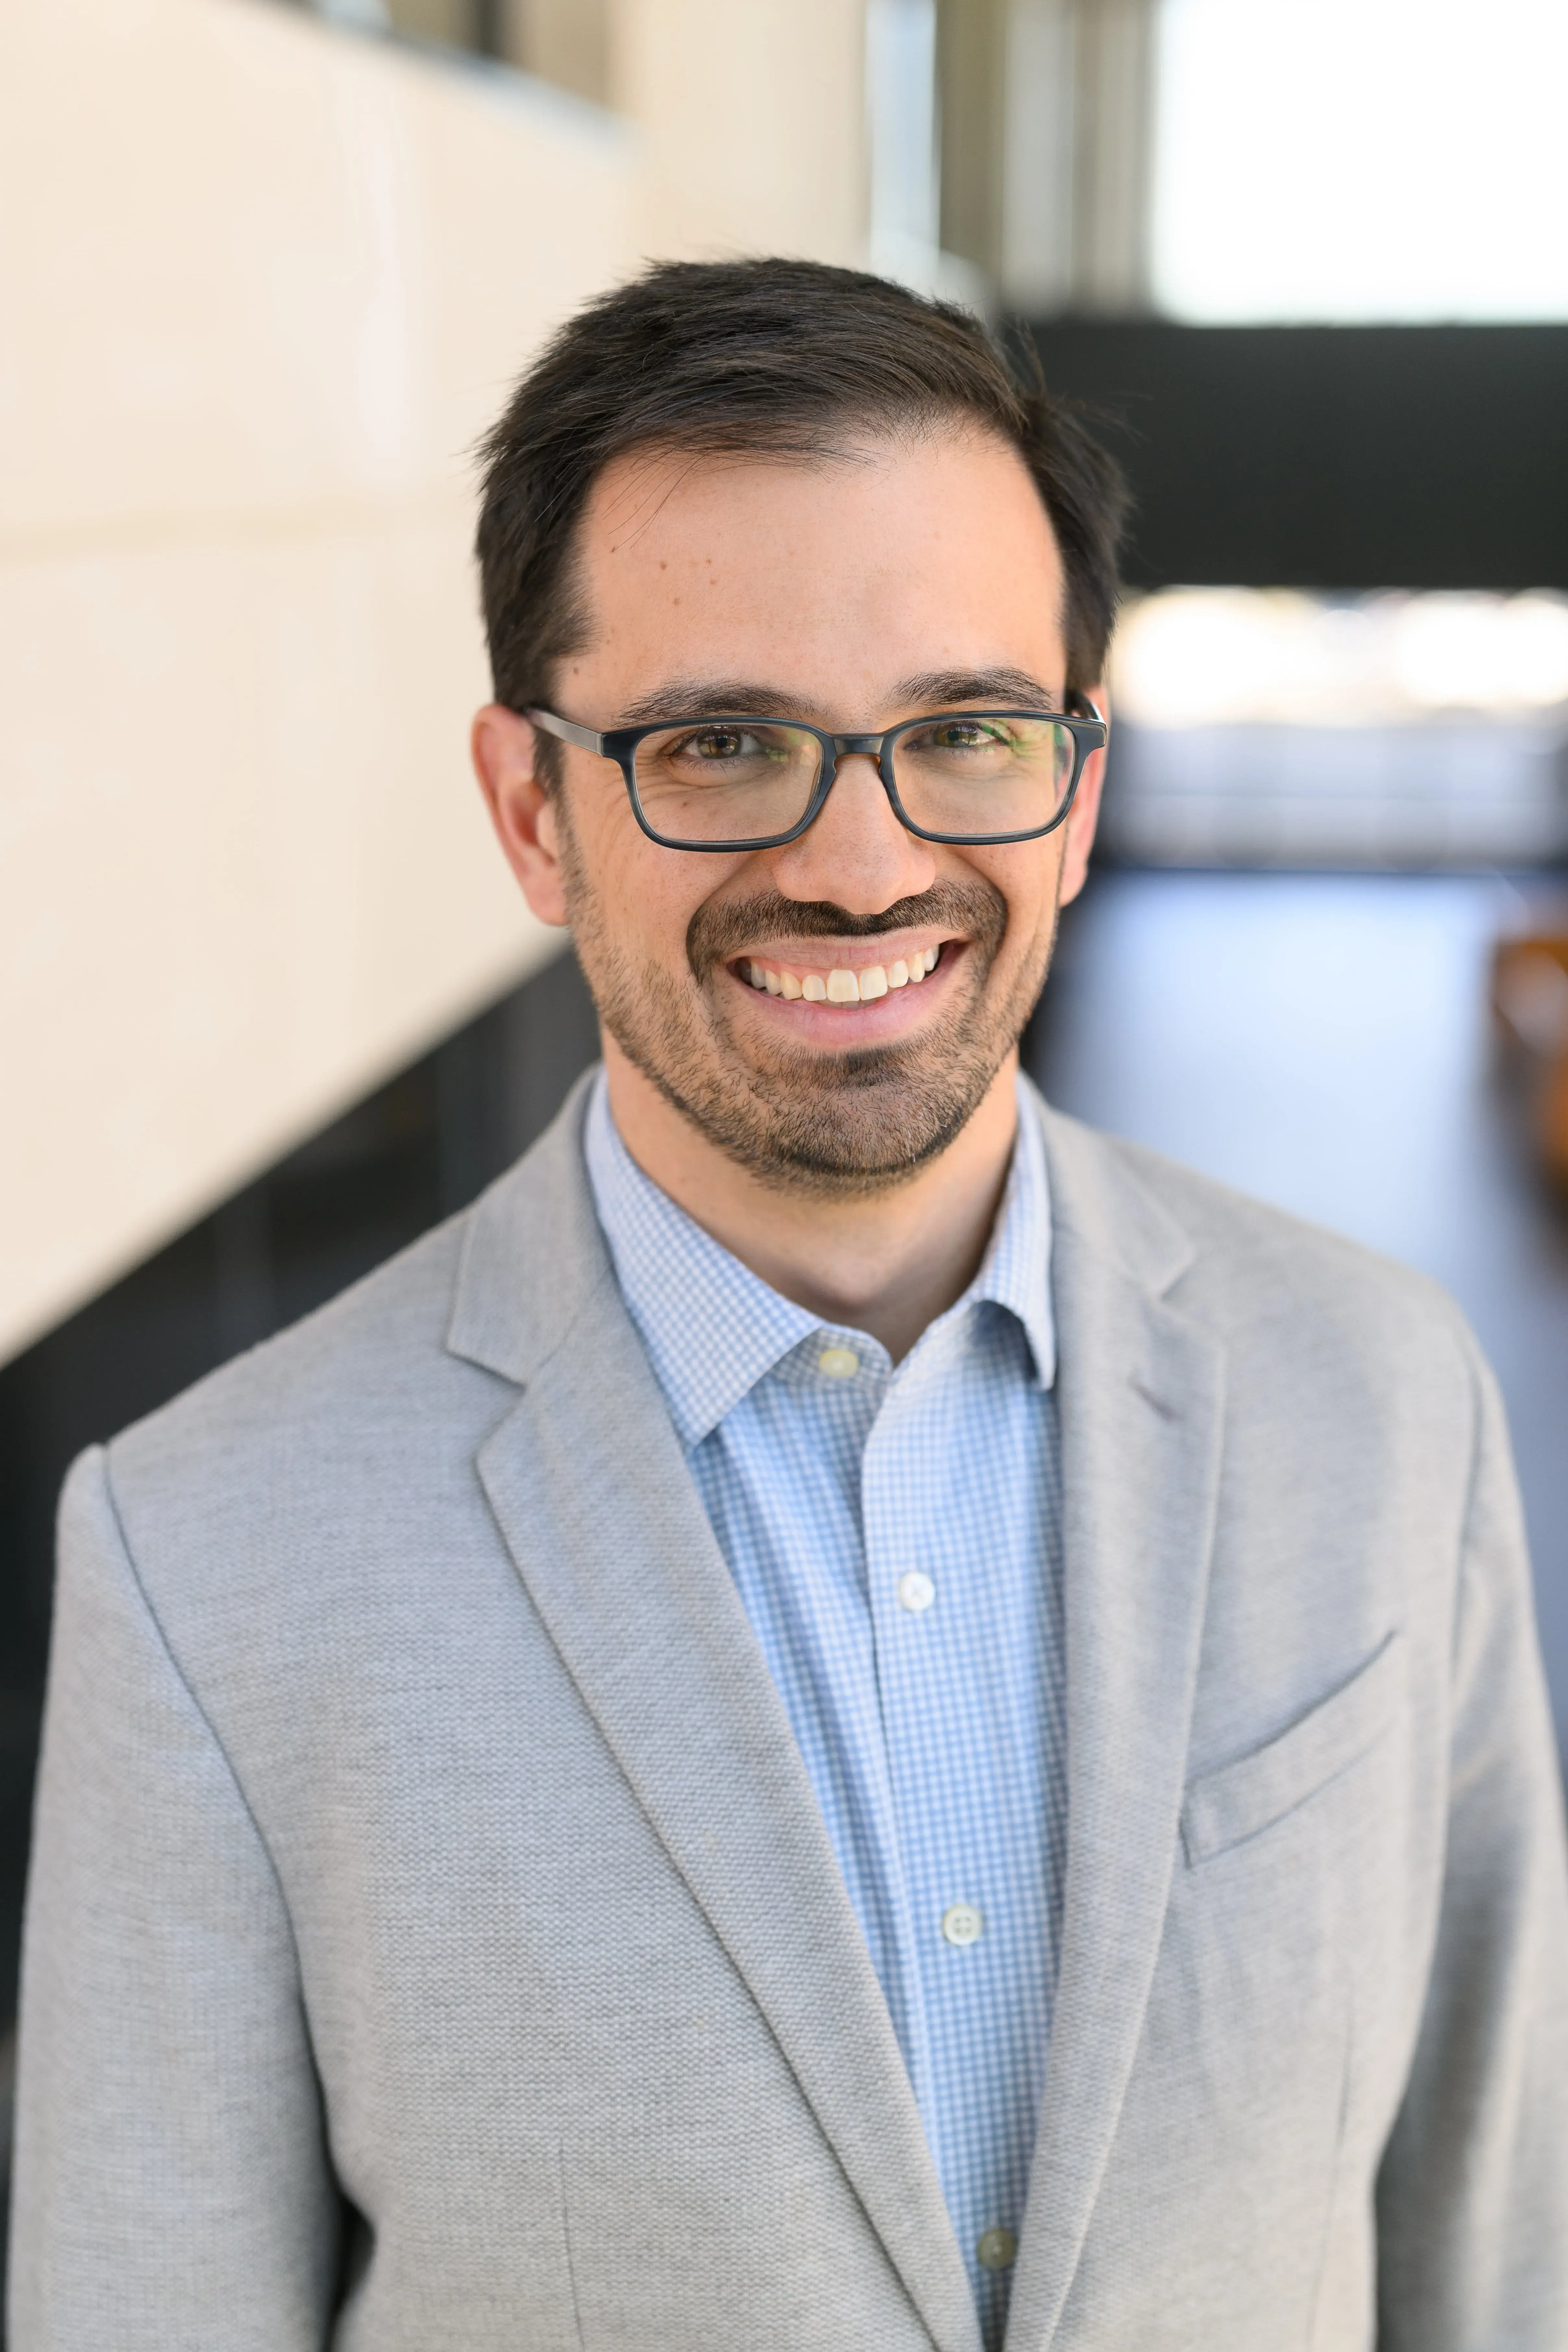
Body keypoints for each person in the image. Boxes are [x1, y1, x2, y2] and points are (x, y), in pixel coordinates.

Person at [11, 259, 1568, 2352]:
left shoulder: (1383, 1396)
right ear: (529, 808)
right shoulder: (203, 1560)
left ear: (1078, 785)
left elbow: (1492, 2259)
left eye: (962, 730)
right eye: (722, 742)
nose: (858, 860)